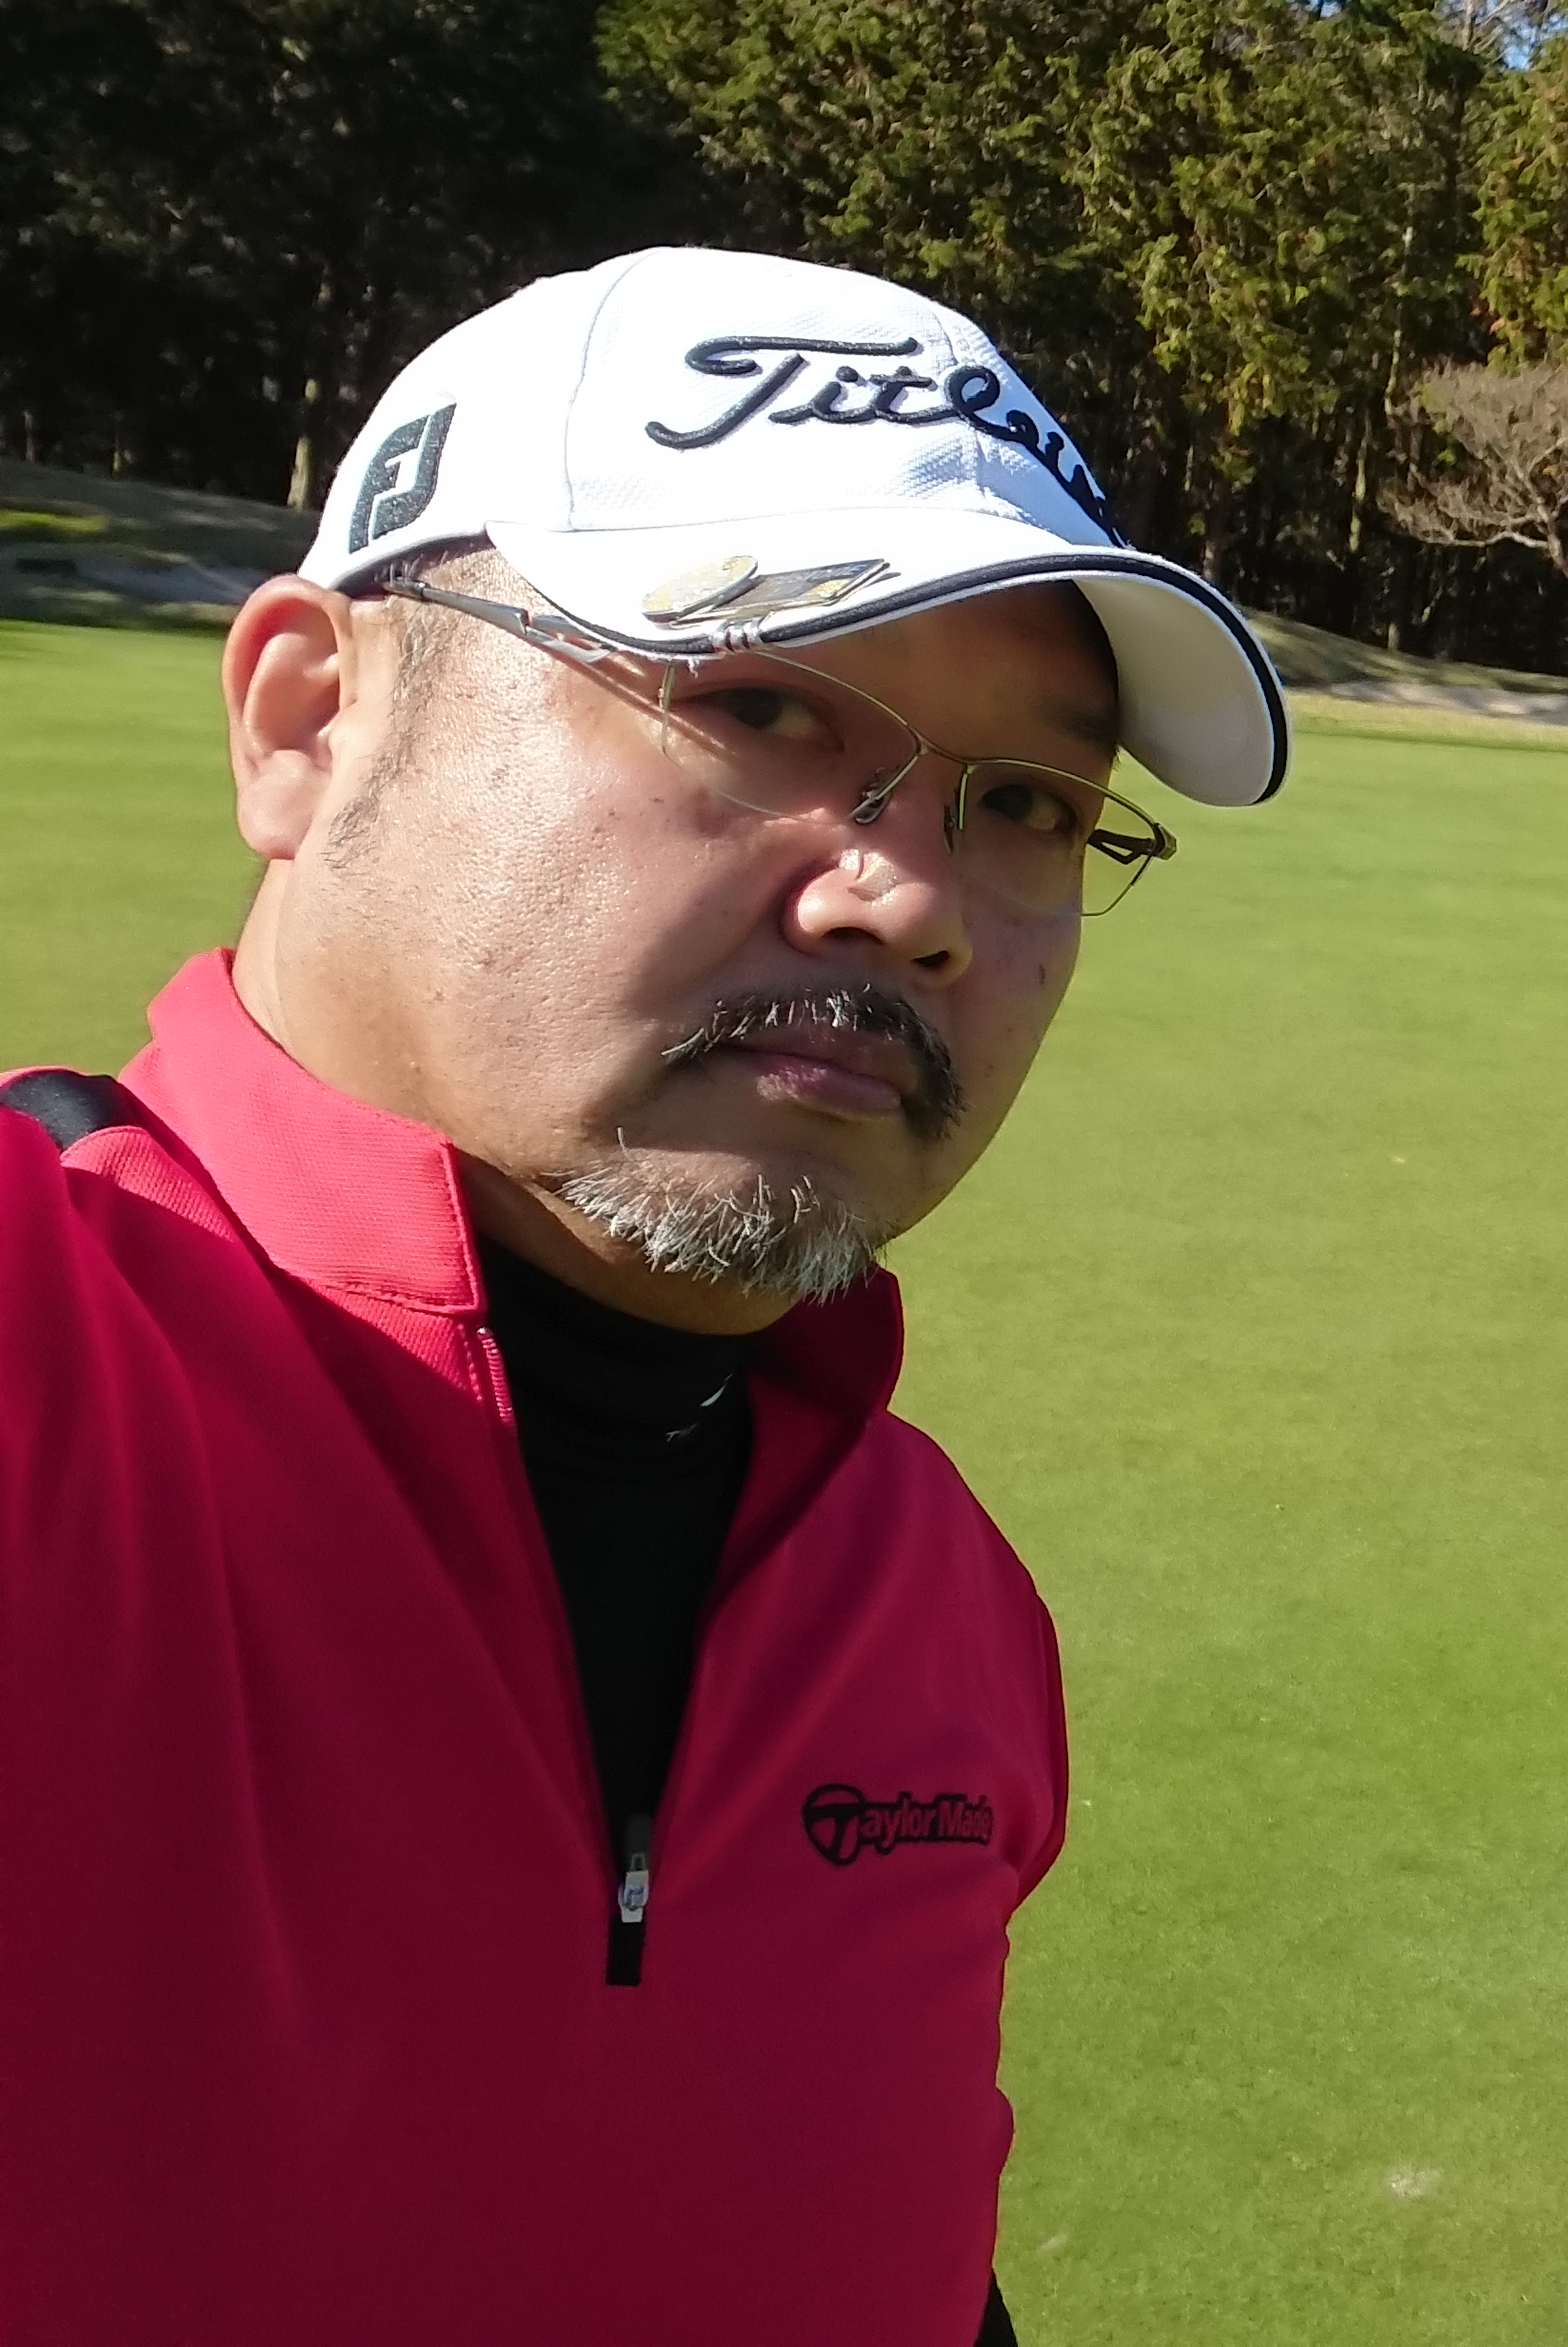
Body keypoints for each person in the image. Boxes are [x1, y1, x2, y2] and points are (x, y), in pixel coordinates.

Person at [0, 247, 1288, 2342]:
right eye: (758, 701)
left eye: (1029, 805)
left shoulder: (940, 1603)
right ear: (310, 722)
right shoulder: (49, 1349)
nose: (914, 896)